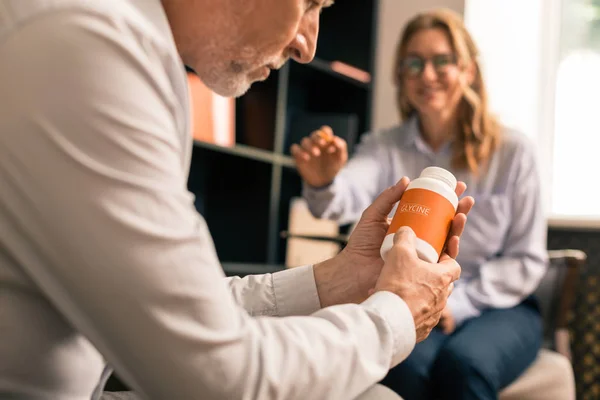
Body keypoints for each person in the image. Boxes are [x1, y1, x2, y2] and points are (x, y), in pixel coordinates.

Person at [0, 1, 476, 399]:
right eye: (310, 3)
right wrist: (394, 313)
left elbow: (178, 313)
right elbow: (218, 372)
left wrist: (337, 280)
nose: (308, 46)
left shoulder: (140, 53)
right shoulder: (91, 51)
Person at [292, 8, 547, 400]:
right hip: (417, 298)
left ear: (468, 70)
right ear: (400, 77)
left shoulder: (514, 152)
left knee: (465, 366)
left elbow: (525, 261)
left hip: (500, 305)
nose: (426, 75)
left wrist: (454, 302)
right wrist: (323, 181)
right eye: (413, 64)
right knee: (403, 367)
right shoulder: (384, 148)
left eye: (441, 61)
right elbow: (344, 198)